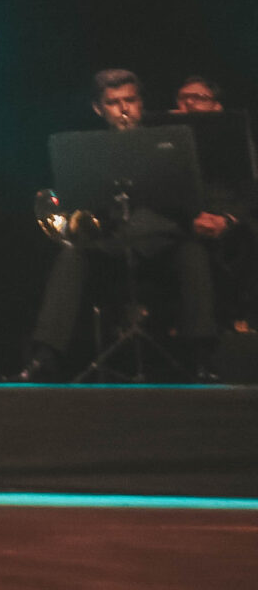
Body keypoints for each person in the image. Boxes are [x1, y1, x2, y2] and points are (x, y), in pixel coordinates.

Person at [18, 68, 219, 380]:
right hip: (112, 248)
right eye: (114, 103)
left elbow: (191, 201)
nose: (124, 109)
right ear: (99, 109)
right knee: (71, 255)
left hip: (162, 250)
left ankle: (202, 359)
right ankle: (45, 357)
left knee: (192, 252)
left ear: (141, 103)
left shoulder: (171, 143)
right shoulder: (86, 153)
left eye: (131, 100)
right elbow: (76, 207)